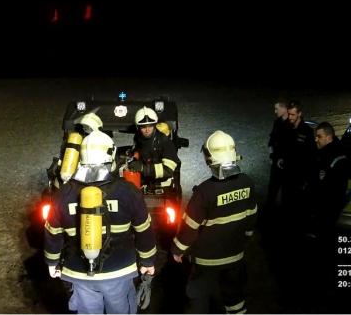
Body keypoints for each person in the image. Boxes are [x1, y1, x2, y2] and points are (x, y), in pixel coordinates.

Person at [44, 128, 157, 314]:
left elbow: (53, 233)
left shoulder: (63, 194)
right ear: (111, 155)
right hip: (119, 271)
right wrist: (148, 261)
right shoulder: (128, 191)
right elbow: (144, 230)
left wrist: (52, 263)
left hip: (79, 273)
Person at [171, 131, 256, 314]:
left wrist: (178, 250)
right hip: (235, 255)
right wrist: (246, 239)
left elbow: (190, 228)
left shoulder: (204, 192)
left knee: (198, 297)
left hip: (206, 261)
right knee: (234, 297)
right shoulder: (247, 183)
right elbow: (251, 219)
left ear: (209, 159)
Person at [276, 100, 316, 218]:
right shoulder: (286, 128)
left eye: (293, 114)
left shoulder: (307, 132)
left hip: (300, 180)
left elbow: (311, 157)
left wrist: (306, 181)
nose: (290, 117)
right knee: (285, 209)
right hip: (287, 177)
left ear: (299, 114)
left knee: (298, 211)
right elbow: (282, 147)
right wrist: (280, 158)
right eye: (289, 114)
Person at [128, 106, 181, 192]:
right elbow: (138, 151)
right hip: (143, 182)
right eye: (143, 127)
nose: (147, 130)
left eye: (150, 126)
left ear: (155, 125)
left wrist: (143, 168)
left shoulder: (164, 142)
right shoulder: (138, 137)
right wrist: (133, 157)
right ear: (138, 127)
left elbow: (168, 170)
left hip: (162, 185)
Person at [310, 122, 348, 237]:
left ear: (329, 137)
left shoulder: (335, 157)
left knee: (325, 234)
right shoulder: (324, 152)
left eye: (319, 136)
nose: (316, 139)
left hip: (328, 207)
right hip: (323, 207)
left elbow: (330, 185)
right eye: (316, 136)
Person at [265, 98, 290, 214]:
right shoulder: (277, 122)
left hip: (287, 163)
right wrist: (271, 155)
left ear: (284, 109)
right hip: (275, 161)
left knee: (286, 189)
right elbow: (271, 140)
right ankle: (270, 210)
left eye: (277, 109)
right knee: (273, 187)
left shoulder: (292, 125)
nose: (275, 111)